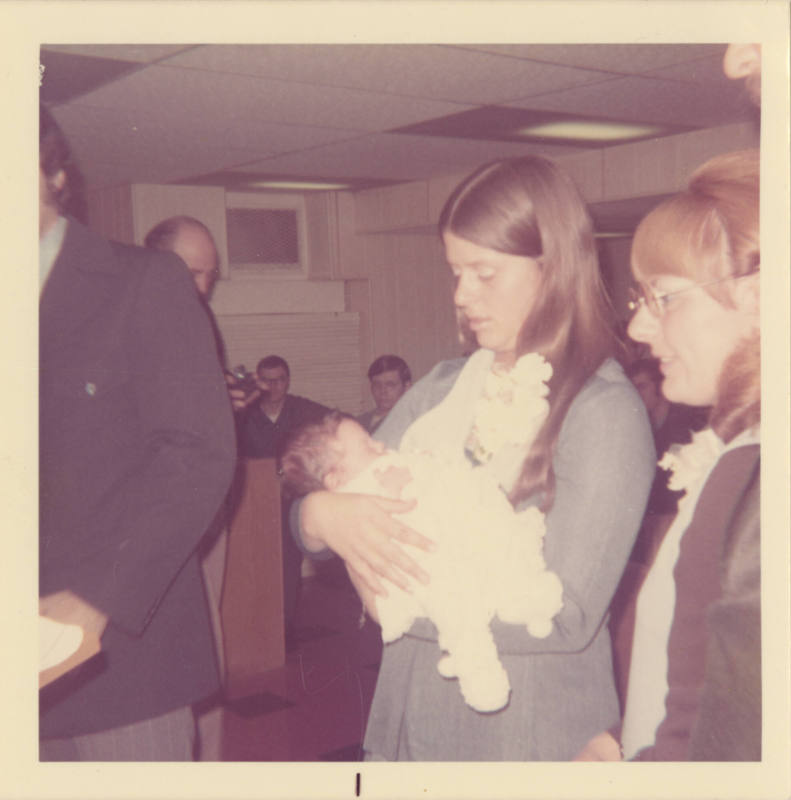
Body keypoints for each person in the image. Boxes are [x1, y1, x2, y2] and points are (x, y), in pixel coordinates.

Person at [292, 155, 655, 761]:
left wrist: (392, 599)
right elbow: (330, 499)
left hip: (519, 734)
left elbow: (565, 617)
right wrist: (318, 515)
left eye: (484, 274)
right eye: (455, 273)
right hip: (407, 721)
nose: (463, 296)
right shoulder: (441, 387)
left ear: (553, 267)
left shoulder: (603, 411)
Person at [38, 105, 237, 760]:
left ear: (53, 172)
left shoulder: (142, 281)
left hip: (119, 661)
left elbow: (198, 453)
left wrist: (99, 598)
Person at [575, 149, 760, 761]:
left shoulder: (752, 473)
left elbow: (720, 744)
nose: (639, 330)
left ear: (759, 296)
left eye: (667, 297)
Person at [280, 411, 563, 713]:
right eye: (368, 447)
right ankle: (477, 670)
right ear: (335, 480)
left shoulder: (376, 465)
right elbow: (380, 511)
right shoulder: (358, 488)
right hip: (427, 570)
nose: (381, 446)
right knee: (457, 605)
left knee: (504, 548)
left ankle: (523, 600)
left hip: (452, 549)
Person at [238, 355, 331, 639]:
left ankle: (286, 629)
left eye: (279, 380)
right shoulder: (245, 414)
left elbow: (337, 422)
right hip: (253, 504)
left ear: (287, 381)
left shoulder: (302, 409)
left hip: (290, 501)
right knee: (255, 566)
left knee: (288, 566)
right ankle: (257, 629)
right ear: (258, 382)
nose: (273, 386)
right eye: (266, 380)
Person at [357, 355, 412, 434]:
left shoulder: (412, 423)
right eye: (377, 384)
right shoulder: (358, 422)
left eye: (390, 385)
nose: (383, 391)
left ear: (407, 387)